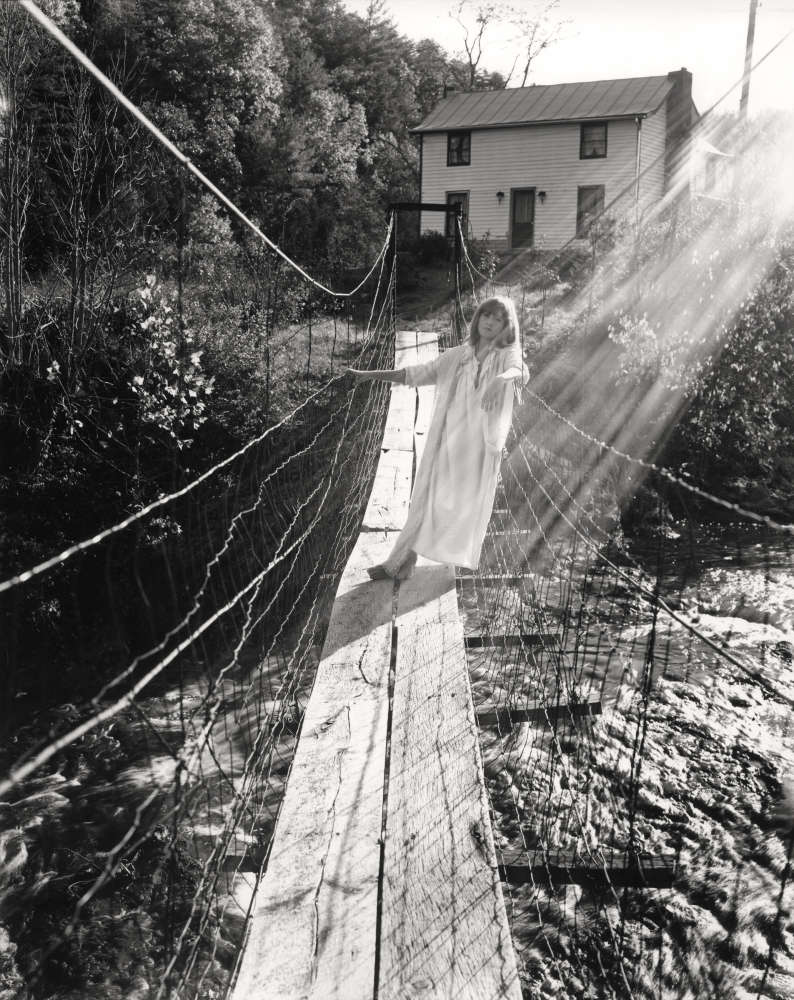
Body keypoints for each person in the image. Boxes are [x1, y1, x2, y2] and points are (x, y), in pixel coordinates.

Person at [348, 295, 528, 580]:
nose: (490, 322)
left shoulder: (506, 354)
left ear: (507, 326)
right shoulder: (459, 355)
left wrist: (501, 379)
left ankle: (418, 556)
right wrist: (369, 375)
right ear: (478, 318)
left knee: (458, 505)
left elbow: (519, 370)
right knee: (426, 496)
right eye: (486, 315)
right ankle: (398, 561)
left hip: (479, 448)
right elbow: (416, 374)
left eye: (498, 318)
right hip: (446, 440)